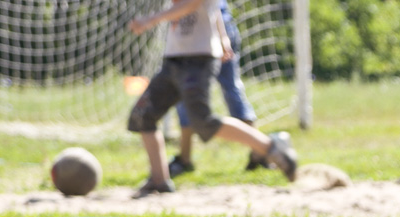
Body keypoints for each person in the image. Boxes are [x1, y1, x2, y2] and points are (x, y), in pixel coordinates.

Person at [127, 0, 297, 197]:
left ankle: (272, 148)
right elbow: (211, 11)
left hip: (198, 60)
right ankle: (159, 180)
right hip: (173, 60)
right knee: (143, 115)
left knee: (202, 121)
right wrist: (223, 38)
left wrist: (150, 20)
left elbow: (192, 4)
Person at [167, 0, 268, 177]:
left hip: (206, 29)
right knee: (229, 89)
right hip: (206, 27)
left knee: (195, 93)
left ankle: (263, 150)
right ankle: (261, 151)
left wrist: (150, 20)